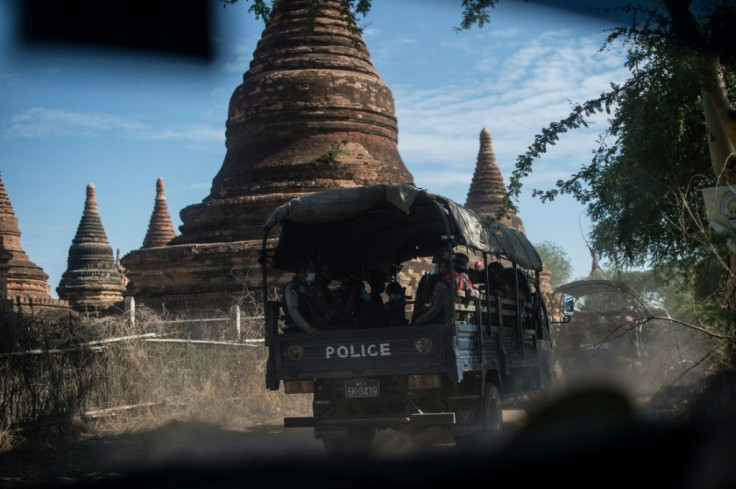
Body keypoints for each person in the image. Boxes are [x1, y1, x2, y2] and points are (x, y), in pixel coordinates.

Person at [413, 249, 454, 325]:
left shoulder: (441, 283)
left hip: (439, 320)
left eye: (439, 264)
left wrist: (418, 321)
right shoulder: (457, 279)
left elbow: (435, 309)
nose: (437, 266)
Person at [281, 257, 320, 335]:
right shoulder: (293, 287)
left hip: (308, 328)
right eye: (310, 271)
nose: (313, 273)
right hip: (298, 330)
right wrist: (307, 327)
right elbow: (293, 310)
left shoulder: (305, 287)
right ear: (301, 272)